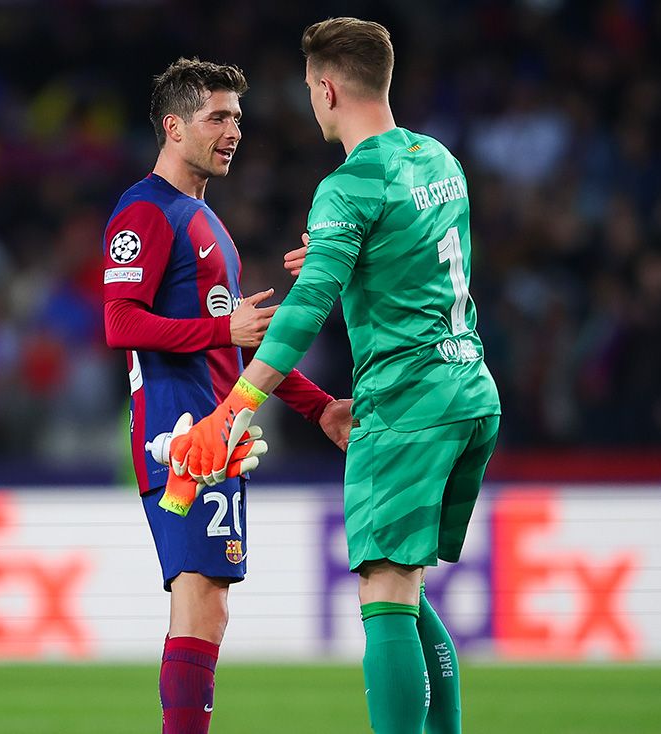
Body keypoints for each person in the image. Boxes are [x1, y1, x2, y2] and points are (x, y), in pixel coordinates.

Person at [168, 20, 500, 734]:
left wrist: (236, 408)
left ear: (325, 88)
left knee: (385, 593)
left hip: (407, 403)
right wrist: (340, 257)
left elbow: (304, 314)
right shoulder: (437, 158)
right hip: (470, 387)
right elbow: (420, 259)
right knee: (404, 588)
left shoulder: (349, 185)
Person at [101, 57, 351, 734]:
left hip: (220, 434)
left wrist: (318, 405)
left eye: (238, 117)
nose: (234, 130)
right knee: (201, 603)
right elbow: (119, 321)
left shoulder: (206, 222)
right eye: (218, 117)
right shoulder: (146, 211)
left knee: (207, 605)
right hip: (180, 437)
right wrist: (223, 324)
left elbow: (237, 350)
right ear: (174, 127)